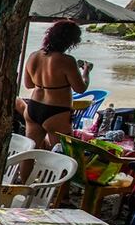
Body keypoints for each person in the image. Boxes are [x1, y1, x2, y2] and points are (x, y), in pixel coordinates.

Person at [23, 20, 92, 149]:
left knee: (29, 152)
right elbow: (80, 88)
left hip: (33, 108)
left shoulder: (33, 56)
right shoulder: (67, 61)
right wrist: (86, 72)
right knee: (63, 154)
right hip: (57, 112)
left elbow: (28, 84)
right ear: (70, 42)